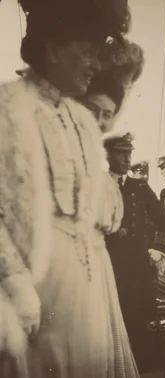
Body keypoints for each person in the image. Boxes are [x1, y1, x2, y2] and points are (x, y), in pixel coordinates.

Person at [0, 0, 140, 375]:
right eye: (88, 54)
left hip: (86, 288)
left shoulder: (79, 118)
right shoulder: (9, 106)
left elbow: (105, 209)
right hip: (35, 288)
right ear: (54, 49)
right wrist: (14, 282)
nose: (96, 66)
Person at [103, 131, 165, 366]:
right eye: (121, 154)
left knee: (139, 321)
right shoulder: (97, 184)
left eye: (129, 153)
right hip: (107, 265)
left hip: (137, 266)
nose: (126, 159)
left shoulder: (139, 187)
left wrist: (158, 248)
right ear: (108, 155)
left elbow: (163, 220)